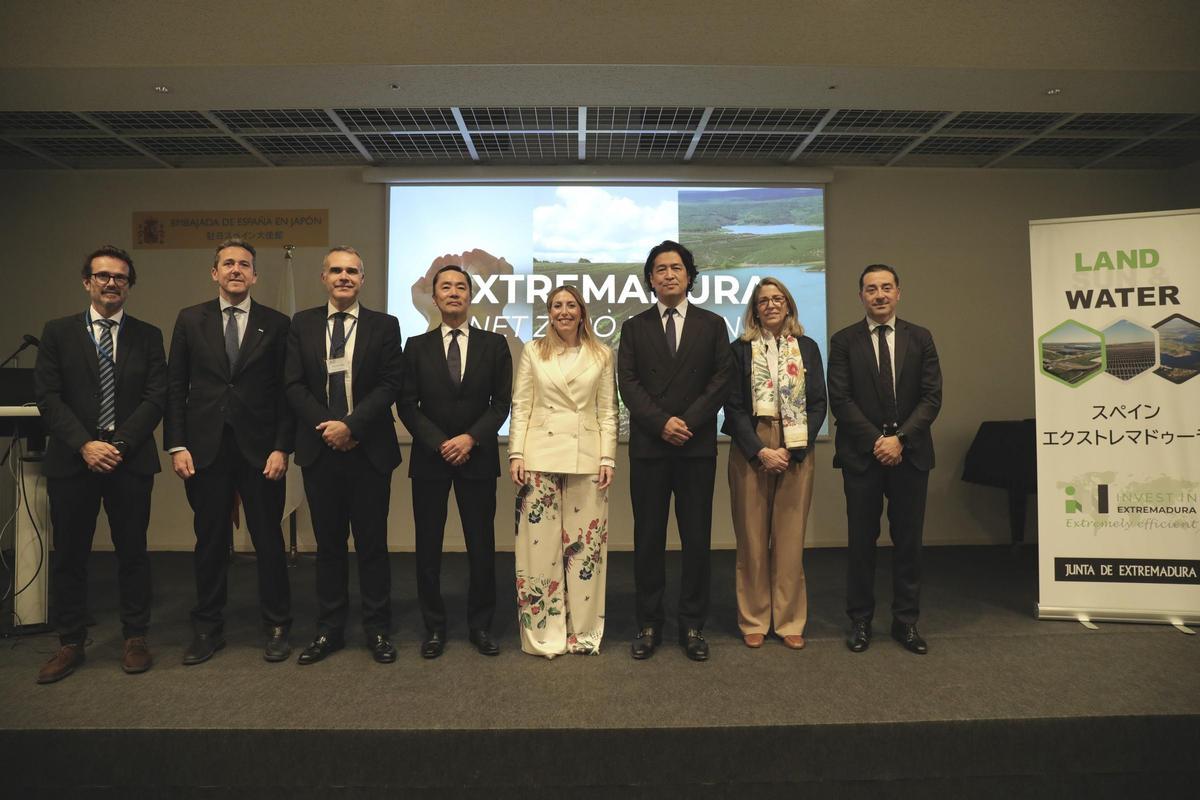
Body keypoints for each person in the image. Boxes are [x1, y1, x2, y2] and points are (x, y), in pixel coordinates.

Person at [33, 245, 166, 683]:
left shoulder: (148, 336)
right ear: (87, 281)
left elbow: (155, 397)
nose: (112, 283)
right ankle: (70, 642)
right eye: (103, 276)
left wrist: (120, 444)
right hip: (75, 460)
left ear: (129, 286)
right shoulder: (58, 333)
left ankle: (135, 637)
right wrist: (86, 445)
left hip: (129, 460)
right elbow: (48, 398)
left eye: (121, 278)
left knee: (133, 553)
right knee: (70, 554)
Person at [165, 238, 294, 665]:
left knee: (268, 540)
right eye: (228, 263)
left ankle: (277, 625)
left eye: (244, 264)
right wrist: (177, 442)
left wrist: (282, 447)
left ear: (255, 275)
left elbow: (285, 393)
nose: (236, 270)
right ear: (214, 272)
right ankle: (207, 628)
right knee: (210, 540)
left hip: (261, 452)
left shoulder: (276, 324)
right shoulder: (190, 320)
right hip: (204, 449)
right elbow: (175, 386)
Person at [284, 246, 404, 665]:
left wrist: (351, 426)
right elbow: (293, 385)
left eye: (352, 271)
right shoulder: (303, 324)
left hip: (369, 450)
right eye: (336, 270)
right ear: (323, 277)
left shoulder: (385, 325)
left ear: (362, 279)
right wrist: (329, 428)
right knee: (329, 546)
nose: (344, 277)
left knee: (372, 545)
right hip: (321, 451)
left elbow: (390, 384)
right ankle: (329, 629)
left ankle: (377, 628)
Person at [617, 240, 732, 662]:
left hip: (696, 447)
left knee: (696, 539)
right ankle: (648, 624)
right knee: (647, 540)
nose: (669, 274)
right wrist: (662, 422)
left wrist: (688, 421)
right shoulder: (634, 327)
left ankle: (693, 625)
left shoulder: (713, 324)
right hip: (650, 447)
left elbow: (722, 378)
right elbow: (627, 383)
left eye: (677, 267)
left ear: (689, 276)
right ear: (650, 278)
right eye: (660, 269)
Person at [398, 264, 512, 659]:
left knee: (481, 546)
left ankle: (481, 625)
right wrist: (440, 442)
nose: (453, 293)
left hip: (477, 457)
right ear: (435, 297)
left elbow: (501, 404)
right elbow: (407, 406)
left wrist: (469, 439)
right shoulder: (415, 346)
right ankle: (434, 627)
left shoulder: (494, 345)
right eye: (445, 287)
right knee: (427, 547)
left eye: (460, 287)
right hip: (431, 459)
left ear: (470, 295)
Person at [827, 264, 941, 655]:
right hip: (862, 456)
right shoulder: (843, 341)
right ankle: (860, 622)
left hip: (910, 456)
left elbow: (931, 397)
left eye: (886, 288)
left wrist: (900, 440)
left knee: (909, 543)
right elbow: (840, 400)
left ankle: (906, 622)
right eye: (871, 289)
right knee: (862, 543)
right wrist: (878, 440)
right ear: (860, 295)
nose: (879, 295)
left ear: (898, 293)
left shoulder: (920, 338)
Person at [508, 285, 618, 657]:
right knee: (539, 551)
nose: (564, 311)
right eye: (557, 306)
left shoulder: (601, 354)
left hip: (586, 458)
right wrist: (516, 453)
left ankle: (583, 632)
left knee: (585, 550)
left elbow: (608, 412)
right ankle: (543, 634)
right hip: (538, 457)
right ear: (549, 312)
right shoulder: (533, 352)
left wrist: (608, 458)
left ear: (582, 312)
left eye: (571, 305)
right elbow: (521, 405)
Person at [721, 278, 826, 650]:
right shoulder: (740, 350)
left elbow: (818, 404)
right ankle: (753, 618)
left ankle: (789, 620)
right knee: (751, 540)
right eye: (763, 300)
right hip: (751, 447)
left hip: (796, 447)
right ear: (754, 309)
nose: (770, 305)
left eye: (777, 299)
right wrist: (760, 450)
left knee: (789, 539)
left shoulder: (808, 348)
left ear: (789, 305)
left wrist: (792, 451)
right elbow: (731, 408)